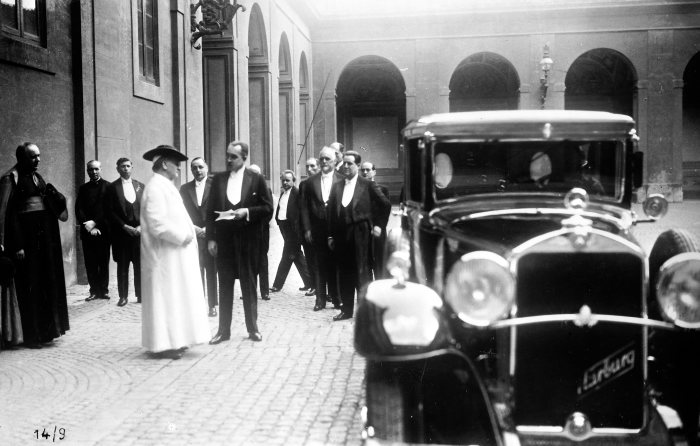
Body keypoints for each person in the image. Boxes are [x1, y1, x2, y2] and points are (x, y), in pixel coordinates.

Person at [140, 145, 211, 360]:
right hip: (163, 257)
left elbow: (178, 216)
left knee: (175, 299)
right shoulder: (154, 188)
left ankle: (176, 340)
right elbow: (157, 224)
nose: (179, 168)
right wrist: (183, 236)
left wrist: (192, 230)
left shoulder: (165, 185)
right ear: (164, 164)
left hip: (173, 256)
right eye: (176, 164)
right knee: (165, 299)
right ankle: (164, 345)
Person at [0, 142, 69, 347]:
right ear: (21, 158)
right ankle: (31, 336)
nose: (38, 160)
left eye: (38, 156)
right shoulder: (10, 179)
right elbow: (6, 215)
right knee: (30, 289)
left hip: (42, 243)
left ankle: (46, 332)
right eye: (33, 157)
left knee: (44, 287)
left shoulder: (37, 177)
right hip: (25, 245)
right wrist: (17, 245)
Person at [207, 141, 273, 343]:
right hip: (224, 241)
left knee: (249, 285)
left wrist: (247, 212)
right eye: (227, 155)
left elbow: (268, 207)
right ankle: (223, 331)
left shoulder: (256, 179)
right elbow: (209, 212)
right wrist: (211, 238)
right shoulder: (218, 179)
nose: (228, 160)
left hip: (248, 242)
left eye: (233, 157)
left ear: (244, 157)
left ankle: (253, 328)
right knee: (224, 284)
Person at [328, 150, 391, 321]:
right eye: (344, 163)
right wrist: (331, 235)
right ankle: (346, 310)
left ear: (357, 165)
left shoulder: (367, 185)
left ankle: (365, 312)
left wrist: (378, 225)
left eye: (350, 163)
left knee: (362, 272)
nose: (346, 166)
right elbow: (332, 213)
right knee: (344, 272)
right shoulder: (337, 186)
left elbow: (385, 204)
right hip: (341, 235)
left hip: (361, 234)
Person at [300, 146, 343, 311]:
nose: (324, 162)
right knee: (318, 264)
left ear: (335, 161)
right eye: (322, 159)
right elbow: (303, 208)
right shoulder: (310, 182)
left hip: (335, 229)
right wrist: (307, 229)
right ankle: (320, 299)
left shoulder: (342, 179)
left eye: (327, 159)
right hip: (317, 229)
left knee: (335, 264)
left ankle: (337, 298)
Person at [180, 157, 217, 317]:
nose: (198, 170)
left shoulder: (216, 187)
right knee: (196, 269)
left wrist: (209, 228)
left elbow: (222, 209)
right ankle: (199, 303)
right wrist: (193, 228)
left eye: (200, 167)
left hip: (211, 235)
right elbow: (181, 211)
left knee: (211, 270)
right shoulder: (184, 188)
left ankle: (212, 305)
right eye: (194, 168)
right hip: (193, 234)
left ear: (206, 168)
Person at [107, 158, 144, 307]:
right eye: (122, 166)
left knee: (139, 265)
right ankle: (123, 296)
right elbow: (109, 212)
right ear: (117, 169)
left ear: (132, 167)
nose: (126, 169)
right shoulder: (112, 188)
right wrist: (124, 226)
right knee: (122, 266)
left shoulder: (140, 186)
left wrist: (141, 226)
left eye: (128, 166)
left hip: (138, 234)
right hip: (121, 234)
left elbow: (146, 208)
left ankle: (141, 295)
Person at [269, 170, 314, 294]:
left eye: (287, 180)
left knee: (286, 257)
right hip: (284, 228)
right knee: (296, 256)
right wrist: (279, 222)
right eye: (283, 180)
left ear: (293, 181)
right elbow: (281, 209)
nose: (285, 182)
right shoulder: (283, 193)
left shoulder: (297, 194)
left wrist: (299, 231)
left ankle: (277, 285)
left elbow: (301, 213)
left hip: (294, 231)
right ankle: (311, 283)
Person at [76, 160, 111, 301]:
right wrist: (88, 226)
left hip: (103, 231)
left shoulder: (108, 187)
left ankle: (104, 290)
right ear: (87, 171)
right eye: (90, 169)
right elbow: (78, 209)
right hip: (88, 231)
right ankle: (93, 291)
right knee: (90, 263)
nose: (94, 172)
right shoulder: (83, 188)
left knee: (103, 262)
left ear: (101, 169)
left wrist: (95, 223)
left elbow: (108, 209)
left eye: (96, 169)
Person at [360, 161, 391, 278]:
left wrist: (380, 226)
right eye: (362, 170)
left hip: (378, 230)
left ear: (374, 172)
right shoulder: (357, 190)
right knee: (365, 263)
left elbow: (385, 209)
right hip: (363, 231)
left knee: (380, 262)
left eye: (368, 170)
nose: (365, 172)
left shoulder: (383, 189)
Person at [248, 164, 272, 300]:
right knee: (249, 261)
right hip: (248, 231)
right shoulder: (244, 189)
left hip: (261, 231)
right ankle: (250, 290)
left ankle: (265, 291)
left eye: (256, 173)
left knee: (262, 261)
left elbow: (269, 210)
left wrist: (258, 223)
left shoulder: (266, 189)